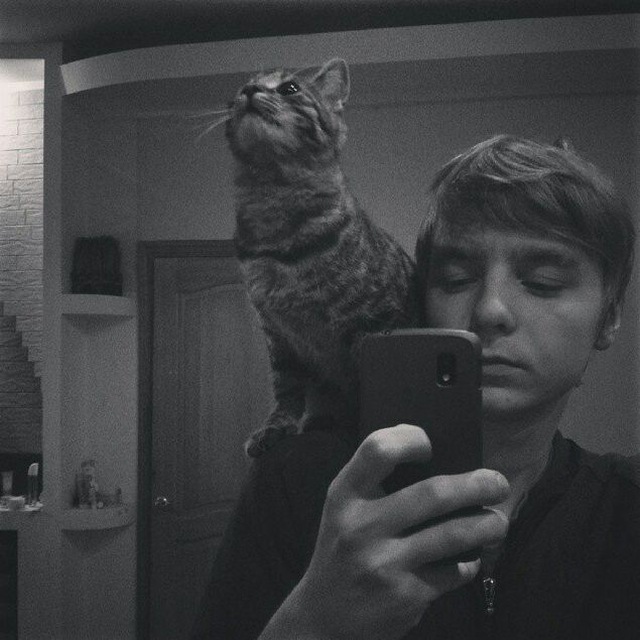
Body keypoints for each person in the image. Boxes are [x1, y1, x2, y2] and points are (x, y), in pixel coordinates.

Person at [191, 135, 640, 640]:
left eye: (543, 282)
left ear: (609, 317)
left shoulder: (628, 508)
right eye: (455, 279)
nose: (490, 310)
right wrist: (312, 622)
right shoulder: (298, 481)